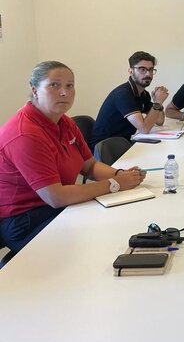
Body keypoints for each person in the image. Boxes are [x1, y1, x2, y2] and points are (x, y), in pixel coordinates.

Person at [0, 61, 146, 266]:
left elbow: (89, 166)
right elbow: (56, 196)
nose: (64, 92)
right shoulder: (25, 134)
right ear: (34, 90)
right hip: (26, 220)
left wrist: (121, 175)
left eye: (70, 86)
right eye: (54, 85)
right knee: (99, 242)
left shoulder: (65, 122)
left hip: (58, 207)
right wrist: (114, 184)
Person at [92, 51, 168, 148]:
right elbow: (144, 128)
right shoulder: (123, 94)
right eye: (142, 69)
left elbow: (159, 121)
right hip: (105, 149)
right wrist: (158, 102)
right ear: (131, 71)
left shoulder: (144, 94)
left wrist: (157, 102)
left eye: (151, 70)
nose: (148, 74)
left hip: (122, 143)